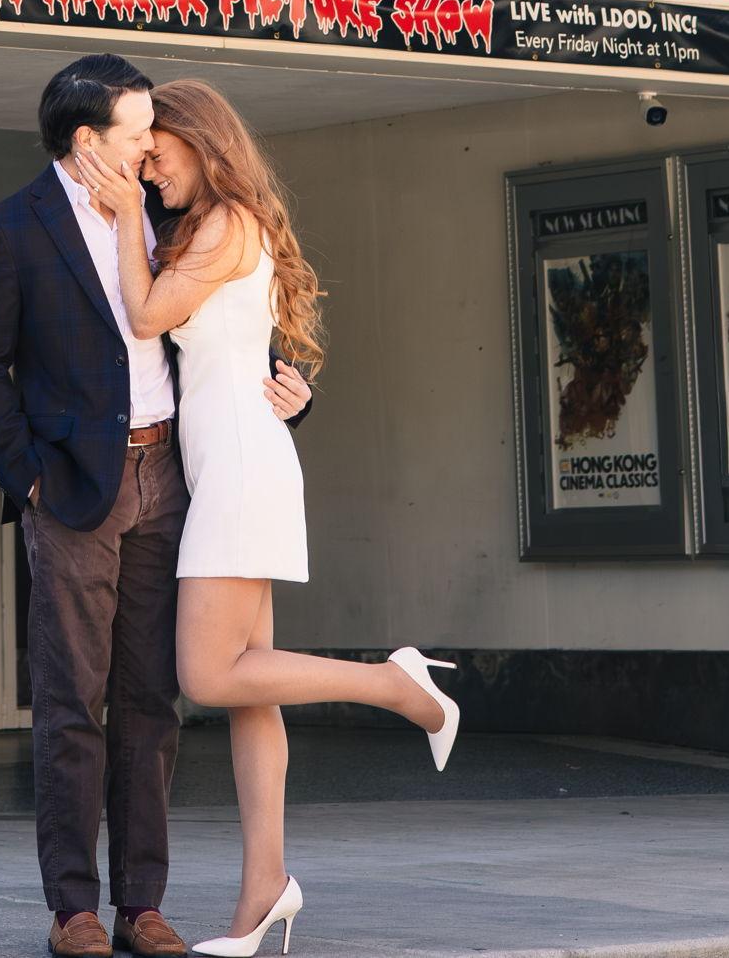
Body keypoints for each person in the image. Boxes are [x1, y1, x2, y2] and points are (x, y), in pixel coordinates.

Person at [70, 78, 457, 958]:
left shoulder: (228, 223)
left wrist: (126, 213)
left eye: (156, 155)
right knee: (254, 697)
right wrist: (297, 394)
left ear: (201, 143)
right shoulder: (205, 226)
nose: (148, 171)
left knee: (209, 676)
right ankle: (264, 892)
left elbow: (146, 312)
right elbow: (243, 352)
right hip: (231, 464)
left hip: (241, 468)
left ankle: (398, 686)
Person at [0, 55, 316, 958]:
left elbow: (251, 327)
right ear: (87, 142)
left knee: (154, 699)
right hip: (75, 485)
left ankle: (141, 904)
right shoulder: (11, 226)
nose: (152, 148)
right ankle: (74, 906)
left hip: (178, 477)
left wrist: (298, 386)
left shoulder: (171, 211)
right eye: (134, 134)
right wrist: (27, 476)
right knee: (72, 698)